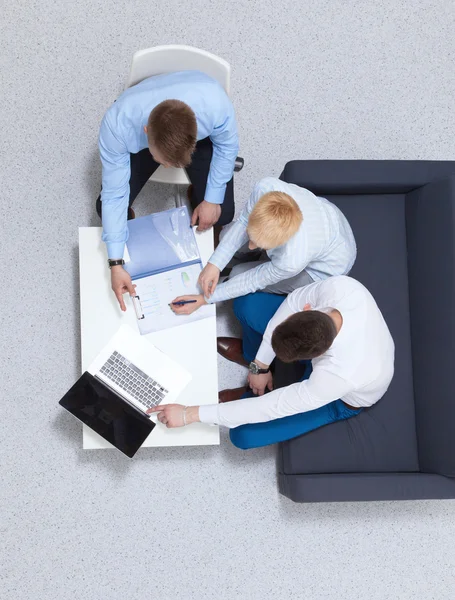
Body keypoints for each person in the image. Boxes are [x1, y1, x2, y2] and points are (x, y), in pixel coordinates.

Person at [148, 276, 395, 450]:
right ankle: (252, 360)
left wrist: (189, 414)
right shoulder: (342, 288)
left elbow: (272, 408)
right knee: (247, 306)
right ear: (308, 310)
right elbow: (292, 302)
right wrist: (260, 365)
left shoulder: (338, 375)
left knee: (242, 435)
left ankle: (250, 393)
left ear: (312, 359)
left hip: (343, 398)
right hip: (332, 355)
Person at [97, 70, 239, 311]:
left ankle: (197, 194)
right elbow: (114, 195)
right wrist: (116, 262)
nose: (168, 169)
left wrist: (212, 199)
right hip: (141, 132)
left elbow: (227, 146)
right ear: (146, 134)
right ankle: (130, 237)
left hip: (188, 128)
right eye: (163, 161)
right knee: (106, 208)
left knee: (223, 213)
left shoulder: (215, 105)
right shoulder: (117, 126)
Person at [169, 177, 356, 325]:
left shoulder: (292, 259)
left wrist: (204, 299)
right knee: (226, 235)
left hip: (326, 267)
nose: (250, 246)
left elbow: (253, 280)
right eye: (251, 236)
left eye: (260, 245)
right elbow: (243, 221)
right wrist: (214, 264)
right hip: (328, 220)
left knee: (237, 274)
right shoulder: (265, 188)